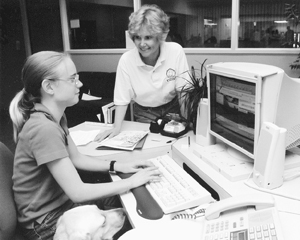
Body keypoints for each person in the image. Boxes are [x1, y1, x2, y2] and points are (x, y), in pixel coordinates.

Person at [9, 51, 161, 240]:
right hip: (44, 222)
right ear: (49, 86)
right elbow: (78, 192)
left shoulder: (55, 117)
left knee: (127, 202)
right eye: (72, 79)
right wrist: (130, 181)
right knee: (134, 226)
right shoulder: (43, 128)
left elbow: (76, 158)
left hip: (60, 205)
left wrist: (118, 166)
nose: (80, 84)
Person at [95, 4, 189, 142]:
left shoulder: (175, 51)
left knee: (174, 144)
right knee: (149, 145)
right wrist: (116, 128)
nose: (142, 43)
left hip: (173, 108)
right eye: (138, 37)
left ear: (161, 36)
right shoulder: (126, 60)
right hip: (145, 112)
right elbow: (122, 99)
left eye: (148, 37)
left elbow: (183, 91)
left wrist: (187, 121)